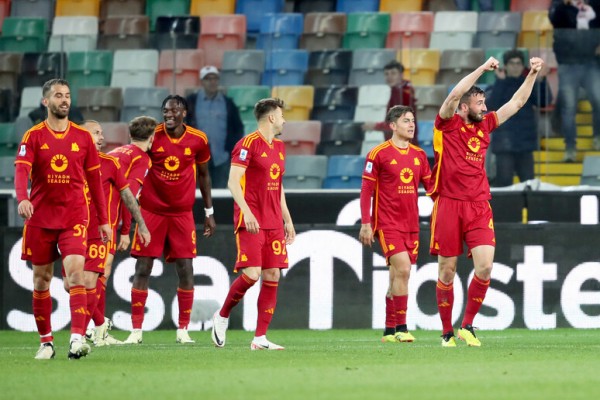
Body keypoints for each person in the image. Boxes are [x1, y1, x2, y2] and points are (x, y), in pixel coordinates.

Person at [428, 56, 544, 347]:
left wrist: (531, 73)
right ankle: (446, 333)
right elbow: (454, 95)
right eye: (480, 103)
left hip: (479, 204)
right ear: (465, 107)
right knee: (447, 270)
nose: (486, 108)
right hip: (449, 203)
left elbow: (516, 104)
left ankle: (467, 325)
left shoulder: (486, 126)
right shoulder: (447, 125)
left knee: (485, 267)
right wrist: (481, 68)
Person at [14, 78, 112, 359]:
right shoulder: (33, 136)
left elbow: (95, 181)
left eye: (67, 95)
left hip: (74, 217)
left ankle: (77, 339)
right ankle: (46, 342)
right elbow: (21, 170)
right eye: (58, 96)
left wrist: (104, 220)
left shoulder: (82, 137)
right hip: (41, 218)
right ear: (46, 102)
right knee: (41, 280)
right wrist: (23, 197)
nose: (64, 100)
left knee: (76, 274)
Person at [124, 95, 216, 345]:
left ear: (184, 112)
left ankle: (183, 330)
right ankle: (136, 331)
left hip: (182, 214)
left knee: (186, 269)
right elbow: (133, 159)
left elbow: (204, 176)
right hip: (151, 212)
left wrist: (209, 213)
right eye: (165, 111)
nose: (169, 115)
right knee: (142, 268)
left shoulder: (199, 139)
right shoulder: (153, 135)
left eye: (174, 111)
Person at [211, 98, 296, 351]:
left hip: (274, 223)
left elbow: (278, 186)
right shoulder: (246, 144)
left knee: (273, 274)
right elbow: (232, 182)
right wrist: (246, 212)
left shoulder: (279, 147)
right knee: (252, 274)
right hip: (251, 221)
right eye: (281, 115)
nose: (284, 120)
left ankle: (260, 338)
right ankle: (222, 315)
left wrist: (288, 219)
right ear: (271, 117)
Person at [73, 120, 151, 347]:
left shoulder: (115, 154)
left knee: (96, 275)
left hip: (98, 225)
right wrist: (127, 230)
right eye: (96, 133)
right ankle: (98, 325)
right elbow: (131, 196)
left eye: (101, 133)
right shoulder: (140, 157)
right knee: (81, 280)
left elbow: (124, 193)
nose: (101, 138)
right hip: (91, 224)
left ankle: (94, 331)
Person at [359, 105, 432, 343]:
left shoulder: (419, 155)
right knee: (403, 269)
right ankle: (402, 327)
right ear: (392, 126)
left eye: (413, 120)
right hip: (387, 223)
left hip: (411, 224)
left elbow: (432, 190)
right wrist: (366, 223)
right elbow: (366, 191)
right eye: (406, 121)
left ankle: (389, 330)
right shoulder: (378, 154)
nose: (411, 125)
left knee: (397, 277)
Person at [487, 49, 552, 187]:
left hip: (525, 144)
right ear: (505, 66)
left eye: (518, 63)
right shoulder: (496, 85)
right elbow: (492, 105)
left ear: (523, 66)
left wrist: (541, 81)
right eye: (512, 63)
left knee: (529, 185)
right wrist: (501, 81)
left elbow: (544, 101)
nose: (515, 67)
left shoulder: (528, 84)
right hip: (504, 145)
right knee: (504, 185)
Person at [549, 0, 600, 162]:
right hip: (567, 64)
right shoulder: (560, 6)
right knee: (569, 107)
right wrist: (565, 5)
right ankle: (570, 147)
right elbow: (554, 21)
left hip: (590, 63)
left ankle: (598, 136)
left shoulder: (595, 5)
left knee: (598, 100)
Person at [185, 65, 244, 188]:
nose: (212, 82)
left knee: (220, 196)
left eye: (214, 78)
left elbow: (238, 128)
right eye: (208, 79)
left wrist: (230, 151)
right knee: (198, 195)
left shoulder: (228, 103)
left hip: (221, 158)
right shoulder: (191, 102)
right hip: (197, 158)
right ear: (202, 82)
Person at [361, 60, 419, 144]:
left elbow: (400, 124)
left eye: (393, 73)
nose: (389, 77)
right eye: (386, 74)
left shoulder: (404, 94)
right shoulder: (396, 91)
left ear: (401, 75)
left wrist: (375, 126)